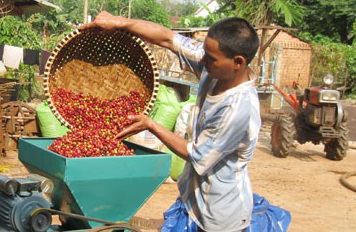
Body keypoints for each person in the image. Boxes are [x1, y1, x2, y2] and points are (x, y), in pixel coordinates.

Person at [80, 12, 261, 232]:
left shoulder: (238, 109)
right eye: (204, 53)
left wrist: (152, 125)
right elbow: (167, 38)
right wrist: (120, 23)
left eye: (210, 58)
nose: (202, 60)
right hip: (192, 200)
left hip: (218, 216)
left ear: (237, 62)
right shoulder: (213, 65)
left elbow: (196, 154)